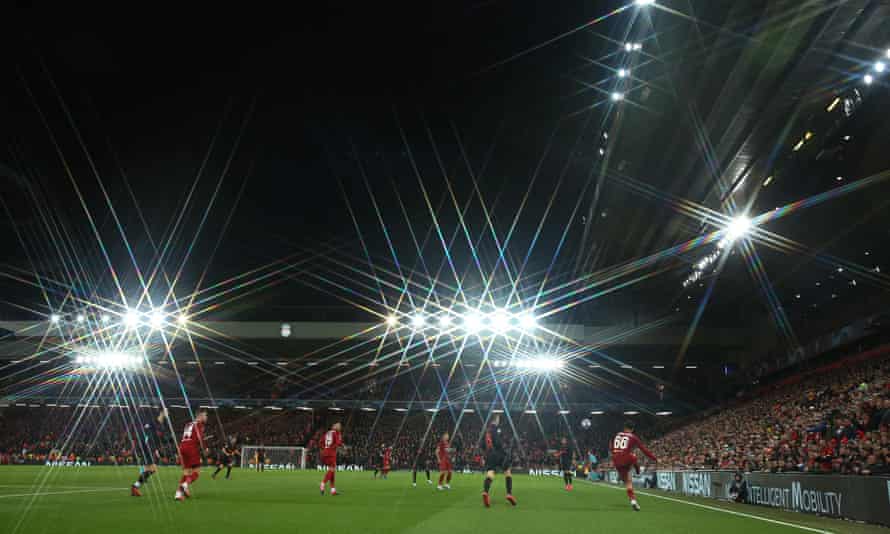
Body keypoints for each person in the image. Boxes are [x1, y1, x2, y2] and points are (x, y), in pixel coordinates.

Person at [610, 421, 656, 511]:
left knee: (628, 481)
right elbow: (644, 449)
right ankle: (638, 472)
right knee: (633, 457)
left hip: (615, 459)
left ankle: (633, 501)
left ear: (624, 428)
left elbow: (612, 447)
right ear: (632, 429)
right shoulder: (633, 437)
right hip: (626, 458)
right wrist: (654, 458)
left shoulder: (617, 434)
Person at [482, 414, 517, 508]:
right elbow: (498, 443)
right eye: (498, 419)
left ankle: (485, 492)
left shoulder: (486, 431)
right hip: (499, 454)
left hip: (489, 455)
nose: (499, 421)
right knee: (507, 472)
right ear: (496, 420)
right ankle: (509, 493)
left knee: (490, 473)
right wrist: (505, 452)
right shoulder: (495, 429)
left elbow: (482, 444)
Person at [131, 409, 167, 496]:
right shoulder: (153, 422)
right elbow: (145, 433)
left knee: (148, 469)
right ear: (162, 412)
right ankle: (135, 486)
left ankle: (135, 488)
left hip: (151, 447)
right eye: (166, 411)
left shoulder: (162, 425)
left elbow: (158, 439)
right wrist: (148, 446)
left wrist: (157, 449)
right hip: (147, 447)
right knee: (153, 469)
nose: (168, 413)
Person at [175, 410, 208, 502]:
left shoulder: (188, 424)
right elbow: (199, 438)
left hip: (182, 446)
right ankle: (182, 487)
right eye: (205, 415)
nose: (206, 417)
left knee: (187, 472)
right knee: (196, 473)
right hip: (191, 448)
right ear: (200, 416)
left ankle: (179, 494)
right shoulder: (200, 425)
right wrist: (205, 449)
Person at [319, 422, 343, 496]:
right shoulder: (336, 433)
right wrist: (341, 445)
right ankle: (323, 483)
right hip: (331, 454)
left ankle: (333, 490)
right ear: (335, 427)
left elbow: (320, 442)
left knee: (332, 471)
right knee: (332, 469)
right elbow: (338, 443)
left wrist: (324, 450)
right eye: (339, 426)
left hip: (324, 453)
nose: (340, 427)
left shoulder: (328, 433)